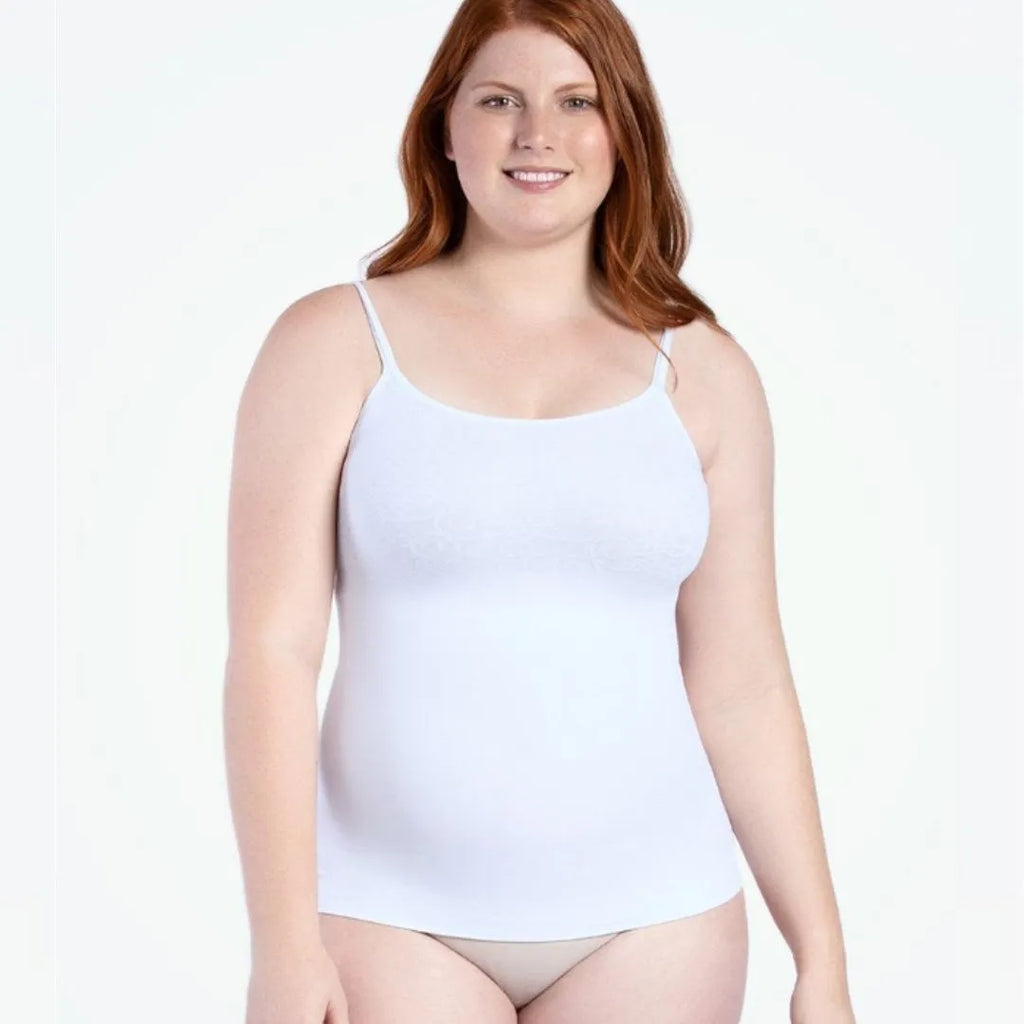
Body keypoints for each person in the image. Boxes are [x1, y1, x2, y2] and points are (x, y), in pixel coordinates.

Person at [223, 1, 856, 1022]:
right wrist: (282, 947)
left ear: (624, 131)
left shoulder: (703, 372)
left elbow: (742, 680)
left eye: (576, 102)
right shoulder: (334, 342)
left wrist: (820, 954)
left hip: (660, 922)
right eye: (498, 101)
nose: (536, 134)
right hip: (386, 915)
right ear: (444, 127)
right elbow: (272, 652)